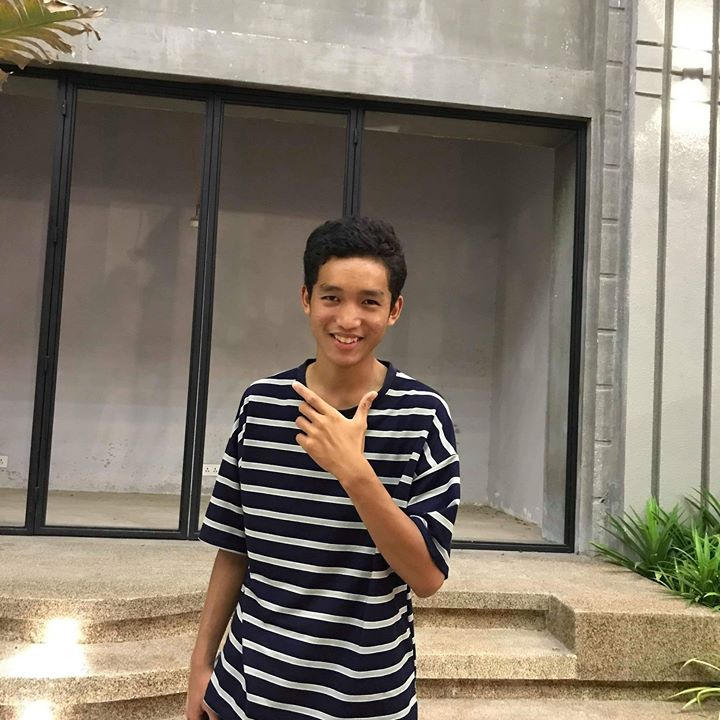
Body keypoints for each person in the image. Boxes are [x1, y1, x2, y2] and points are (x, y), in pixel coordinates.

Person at [185, 216, 461, 720]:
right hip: (248, 692)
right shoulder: (262, 404)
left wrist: (354, 472)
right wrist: (201, 666)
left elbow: (426, 576)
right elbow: (233, 548)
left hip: (366, 699)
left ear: (395, 310)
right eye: (332, 297)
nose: (348, 319)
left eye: (369, 302)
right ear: (306, 298)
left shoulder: (423, 416)